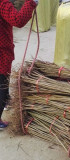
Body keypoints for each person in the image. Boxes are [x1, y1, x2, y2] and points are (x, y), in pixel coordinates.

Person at [0, 0, 38, 130]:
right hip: (1, 54)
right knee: (2, 87)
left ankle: (6, 101)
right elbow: (18, 20)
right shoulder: (2, 3)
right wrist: (31, 3)